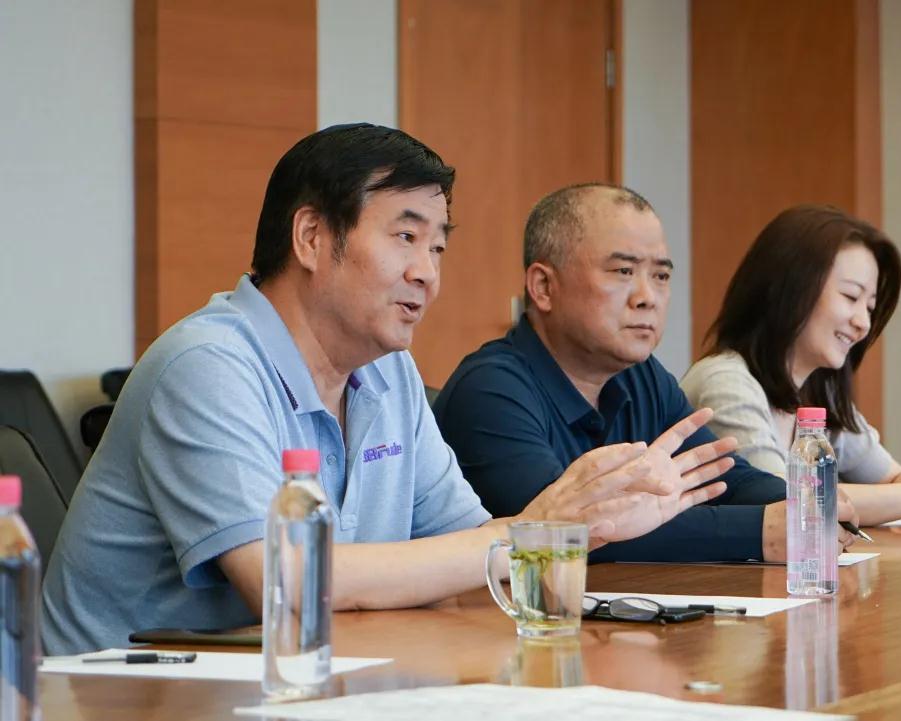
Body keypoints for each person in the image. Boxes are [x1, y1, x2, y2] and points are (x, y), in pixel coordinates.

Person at [41, 125, 736, 655]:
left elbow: (472, 562)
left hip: (306, 685)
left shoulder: (388, 373)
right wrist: (532, 530)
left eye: (438, 247)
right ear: (312, 237)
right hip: (121, 698)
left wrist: (586, 524)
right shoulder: (207, 365)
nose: (427, 273)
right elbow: (288, 585)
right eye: (406, 237)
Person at [433, 184, 859, 564]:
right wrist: (759, 534)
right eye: (623, 272)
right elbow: (575, 532)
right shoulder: (490, 391)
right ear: (544, 286)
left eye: (661, 276)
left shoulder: (642, 377)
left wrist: (804, 503)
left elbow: (722, 475)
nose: (647, 297)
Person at [680, 204, 901, 526]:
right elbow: (788, 502)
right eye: (850, 297)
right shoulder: (725, 382)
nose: (863, 323)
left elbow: (891, 479)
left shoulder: (817, 391)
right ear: (790, 288)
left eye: (870, 307)